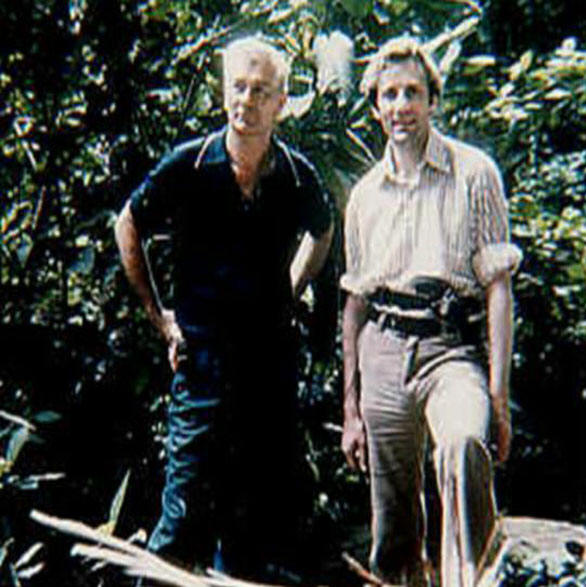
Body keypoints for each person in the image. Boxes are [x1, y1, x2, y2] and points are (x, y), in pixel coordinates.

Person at [115, 36, 333, 580]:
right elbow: (128, 224)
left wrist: (291, 286)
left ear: (281, 101)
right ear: (223, 93)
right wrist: (160, 318)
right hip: (203, 363)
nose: (247, 101)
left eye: (261, 90)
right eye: (239, 87)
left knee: (253, 521)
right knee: (182, 511)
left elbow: (323, 229)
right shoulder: (190, 165)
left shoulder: (295, 175)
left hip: (269, 366)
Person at [340, 37, 522, 586]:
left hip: (450, 347)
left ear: (433, 100)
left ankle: (475, 577)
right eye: (390, 94)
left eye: (413, 93)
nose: (402, 106)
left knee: (464, 445)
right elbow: (355, 304)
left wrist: (498, 396)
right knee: (393, 519)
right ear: (376, 106)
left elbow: (498, 289)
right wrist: (350, 407)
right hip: (383, 349)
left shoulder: (474, 173)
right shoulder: (365, 197)